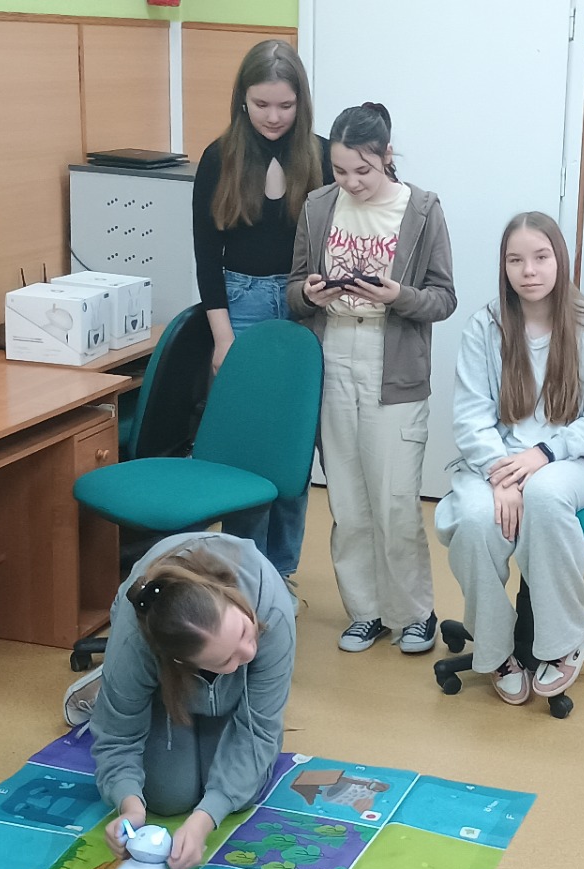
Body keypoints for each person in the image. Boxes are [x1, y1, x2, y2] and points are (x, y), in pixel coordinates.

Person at [436, 212, 584, 703]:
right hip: (496, 461)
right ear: (504, 267)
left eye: (541, 257)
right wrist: (499, 476)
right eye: (515, 260)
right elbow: (471, 416)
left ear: (560, 259)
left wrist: (545, 453)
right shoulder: (485, 327)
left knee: (543, 494)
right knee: (475, 518)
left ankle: (567, 637)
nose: (529, 271)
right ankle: (496, 648)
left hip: (572, 460)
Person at [287, 103, 456, 656]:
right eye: (340, 170)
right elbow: (292, 289)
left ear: (387, 156)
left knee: (396, 501)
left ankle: (415, 614)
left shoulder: (422, 210)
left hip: (393, 363)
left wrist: (398, 295)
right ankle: (365, 612)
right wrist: (308, 293)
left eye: (363, 170)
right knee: (348, 502)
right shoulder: (318, 206)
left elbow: (443, 298)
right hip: (333, 354)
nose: (351, 182)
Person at [190, 39, 327, 580]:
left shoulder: (322, 155)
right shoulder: (218, 157)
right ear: (241, 100)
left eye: (285, 105)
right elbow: (206, 258)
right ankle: (245, 577)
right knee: (246, 450)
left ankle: (281, 574)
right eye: (261, 104)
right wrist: (223, 338)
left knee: (292, 450)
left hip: (302, 308)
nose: (273, 117)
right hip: (239, 304)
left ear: (302, 102)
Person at [90, 533, 295, 869]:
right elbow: (117, 736)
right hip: (169, 683)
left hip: (224, 686)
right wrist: (129, 804)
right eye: (225, 660)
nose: (249, 653)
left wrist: (205, 819)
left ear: (229, 597)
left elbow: (259, 729)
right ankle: (115, 683)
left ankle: (212, 682)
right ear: (180, 662)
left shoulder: (271, 609)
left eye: (244, 633)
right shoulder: (136, 642)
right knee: (166, 798)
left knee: (238, 795)